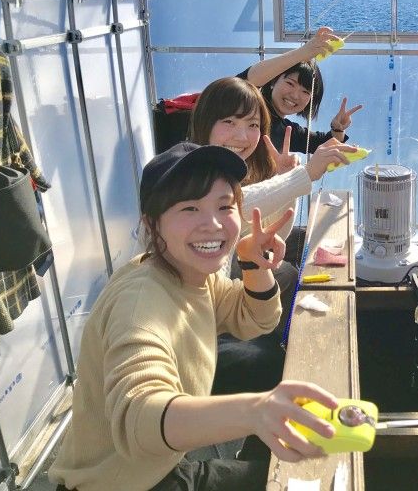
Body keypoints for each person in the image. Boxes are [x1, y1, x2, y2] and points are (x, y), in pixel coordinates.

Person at [49, 143, 339, 491]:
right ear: (152, 223)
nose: (213, 224)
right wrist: (255, 412)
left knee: (291, 459)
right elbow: (139, 418)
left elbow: (256, 319)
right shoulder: (139, 302)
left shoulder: (193, 273)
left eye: (224, 206)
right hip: (120, 483)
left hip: (157, 465)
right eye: (189, 208)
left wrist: (251, 264)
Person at [188, 77, 357, 395]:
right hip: (190, 331)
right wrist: (303, 174)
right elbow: (233, 207)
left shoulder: (227, 172)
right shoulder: (188, 171)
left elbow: (267, 231)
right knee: (272, 364)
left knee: (288, 273)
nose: (242, 135)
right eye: (228, 122)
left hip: (214, 300)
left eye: (252, 124)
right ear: (204, 121)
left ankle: (277, 344)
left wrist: (284, 181)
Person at [237, 26, 363, 155]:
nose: (295, 95)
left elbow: (324, 144)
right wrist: (303, 53)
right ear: (273, 82)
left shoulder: (288, 131)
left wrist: (337, 128)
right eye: (290, 83)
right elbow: (245, 82)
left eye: (306, 92)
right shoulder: (249, 105)